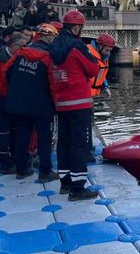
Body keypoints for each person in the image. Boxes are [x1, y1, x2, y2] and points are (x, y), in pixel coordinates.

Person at [50, 11, 100, 200]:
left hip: (61, 102)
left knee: (63, 142)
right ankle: (78, 188)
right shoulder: (76, 46)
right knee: (79, 145)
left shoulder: (54, 46)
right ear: (77, 27)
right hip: (79, 102)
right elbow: (93, 69)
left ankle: (65, 182)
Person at [4, 24, 59, 182]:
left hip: (19, 102)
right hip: (42, 104)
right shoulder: (49, 56)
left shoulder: (21, 52)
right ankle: (45, 171)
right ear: (49, 37)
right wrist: (55, 103)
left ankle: (22, 169)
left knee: (22, 136)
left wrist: (14, 91)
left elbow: (6, 71)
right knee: (44, 138)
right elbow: (53, 83)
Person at [0, 32, 29, 175]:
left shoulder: (19, 58)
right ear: (14, 46)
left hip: (11, 102)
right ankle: (4, 162)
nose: (25, 49)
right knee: (1, 132)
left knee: (12, 131)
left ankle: (9, 157)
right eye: (23, 46)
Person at [85, 33, 115, 161]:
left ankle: (88, 146)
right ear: (100, 46)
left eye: (110, 50)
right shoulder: (87, 53)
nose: (108, 52)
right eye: (107, 50)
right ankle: (86, 150)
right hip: (83, 94)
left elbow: (101, 73)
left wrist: (106, 86)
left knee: (89, 121)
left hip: (91, 95)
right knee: (85, 122)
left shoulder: (103, 56)